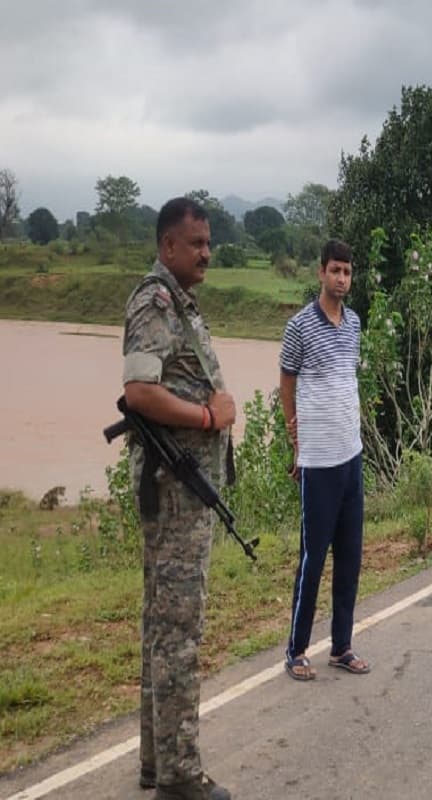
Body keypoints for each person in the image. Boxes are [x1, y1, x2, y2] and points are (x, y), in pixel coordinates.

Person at [123, 197, 235, 799]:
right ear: (168, 245)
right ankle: (180, 777)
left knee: (161, 624)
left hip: (184, 491)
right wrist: (206, 417)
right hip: (173, 493)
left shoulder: (180, 303)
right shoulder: (154, 301)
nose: (206, 253)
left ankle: (154, 761)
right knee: (177, 630)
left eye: (208, 242)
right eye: (195, 244)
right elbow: (139, 390)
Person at [280, 240, 370, 681]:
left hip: (351, 457)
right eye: (335, 270)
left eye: (347, 272)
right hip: (318, 463)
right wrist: (296, 442)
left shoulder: (353, 323)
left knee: (350, 558)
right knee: (313, 558)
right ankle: (296, 649)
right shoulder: (299, 326)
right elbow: (287, 383)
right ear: (320, 273)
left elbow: (347, 381)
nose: (341, 278)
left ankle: (341, 646)